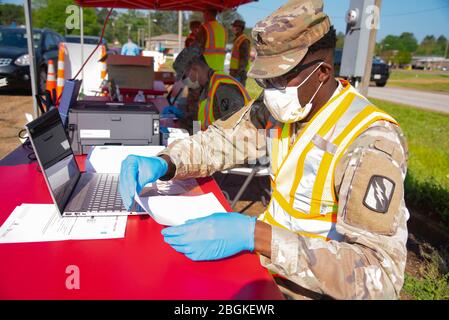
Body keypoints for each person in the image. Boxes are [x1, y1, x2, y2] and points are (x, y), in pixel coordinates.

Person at [119, 0, 409, 300]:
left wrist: (256, 235)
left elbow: (379, 277)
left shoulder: (369, 142)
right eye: (265, 80)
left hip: (312, 290)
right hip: (268, 270)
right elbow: (221, 142)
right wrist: (167, 162)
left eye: (281, 79)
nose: (270, 91)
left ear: (322, 72)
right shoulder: (280, 110)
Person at [169, 45, 251, 131]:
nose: (184, 82)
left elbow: (233, 132)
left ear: (195, 69)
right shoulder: (206, 87)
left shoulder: (223, 88)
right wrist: (184, 121)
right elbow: (200, 124)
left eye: (184, 77)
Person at [230, 19, 251, 86]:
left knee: (239, 91)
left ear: (240, 28)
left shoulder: (244, 40)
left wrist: (239, 71)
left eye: (235, 26)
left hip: (239, 72)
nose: (233, 28)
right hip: (235, 71)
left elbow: (244, 57)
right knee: (234, 91)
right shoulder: (237, 39)